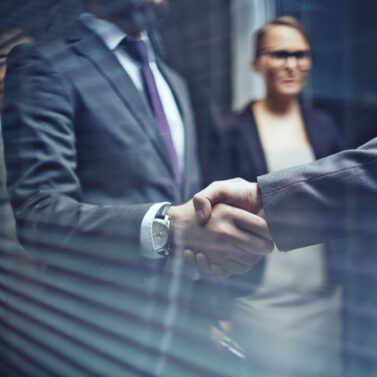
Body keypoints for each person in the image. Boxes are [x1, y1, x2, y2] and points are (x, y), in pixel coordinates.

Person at [2, 1, 272, 375]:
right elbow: (39, 214)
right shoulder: (43, 63)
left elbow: (187, 201)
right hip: (90, 343)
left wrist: (207, 312)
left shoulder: (173, 82)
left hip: (175, 341)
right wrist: (166, 226)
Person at [204, 16, 344, 377]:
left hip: (324, 299)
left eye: (300, 54)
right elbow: (211, 220)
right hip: (258, 301)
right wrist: (215, 308)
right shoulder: (231, 131)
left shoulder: (325, 127)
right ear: (256, 63)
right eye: (279, 54)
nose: (291, 64)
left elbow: (343, 208)